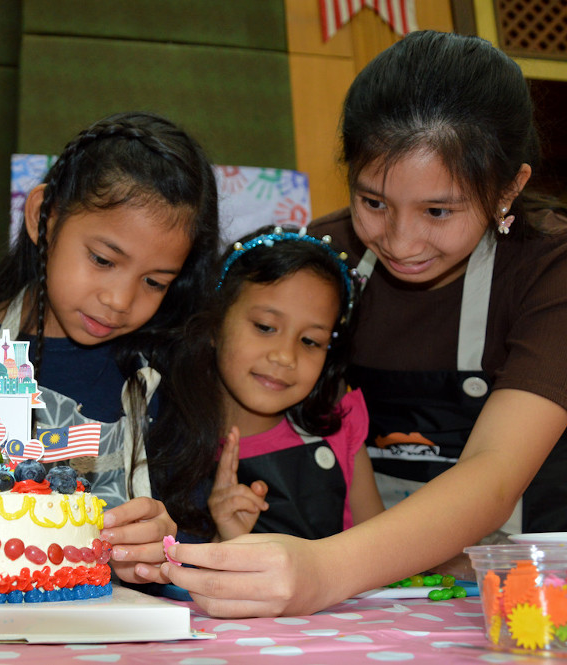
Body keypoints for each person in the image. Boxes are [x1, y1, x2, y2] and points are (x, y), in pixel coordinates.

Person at [154, 30, 567, 618]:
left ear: (509, 188)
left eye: (439, 211)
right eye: (373, 202)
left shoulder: (550, 270)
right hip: (364, 600)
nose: (401, 242)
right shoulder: (317, 263)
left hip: (519, 599)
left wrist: (325, 569)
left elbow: (493, 473)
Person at [0, 110, 219, 584]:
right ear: (43, 217)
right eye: (103, 259)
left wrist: (166, 550)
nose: (120, 300)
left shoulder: (165, 376)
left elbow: (195, 543)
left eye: (154, 281)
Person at [150, 227, 383, 545]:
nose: (285, 356)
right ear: (214, 324)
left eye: (310, 341)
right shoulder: (163, 435)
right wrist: (225, 537)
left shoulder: (338, 428)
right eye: (265, 327)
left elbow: (383, 552)